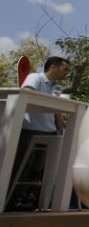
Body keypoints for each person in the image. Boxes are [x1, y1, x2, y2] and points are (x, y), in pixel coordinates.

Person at [5, 56, 70, 211]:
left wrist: (60, 129)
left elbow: (57, 111)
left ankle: (28, 201)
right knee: (21, 167)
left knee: (38, 170)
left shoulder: (54, 87)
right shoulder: (36, 78)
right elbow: (26, 92)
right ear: (53, 66)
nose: (67, 73)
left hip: (49, 132)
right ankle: (10, 202)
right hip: (31, 130)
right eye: (65, 69)